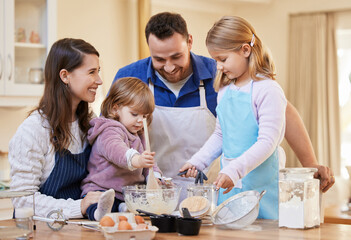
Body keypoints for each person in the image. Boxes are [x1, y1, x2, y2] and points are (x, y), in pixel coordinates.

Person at [110, 12, 334, 200]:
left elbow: (283, 114)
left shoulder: (220, 73)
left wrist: (310, 165)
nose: (168, 67)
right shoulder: (130, 77)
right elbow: (111, 135)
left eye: (176, 56)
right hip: (155, 192)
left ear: (189, 41)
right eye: (159, 59)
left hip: (215, 189)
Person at [180, 16, 286, 219]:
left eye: (223, 59)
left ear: (245, 50)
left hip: (261, 191)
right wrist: (198, 162)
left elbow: (267, 142)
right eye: (215, 60)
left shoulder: (268, 90)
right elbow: (221, 135)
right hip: (230, 190)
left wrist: (235, 170)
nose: (218, 66)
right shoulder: (225, 90)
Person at [9, 38, 104, 218]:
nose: (98, 80)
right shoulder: (34, 129)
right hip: (40, 231)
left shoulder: (90, 122)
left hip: (78, 229)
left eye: (98, 71)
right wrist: (79, 207)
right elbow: (22, 199)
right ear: (64, 76)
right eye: (91, 72)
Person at [80, 77, 162, 221]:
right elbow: (117, 151)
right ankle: (98, 213)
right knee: (97, 204)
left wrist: (155, 176)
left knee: (136, 206)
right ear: (115, 108)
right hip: (100, 190)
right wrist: (137, 160)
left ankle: (122, 208)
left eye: (144, 116)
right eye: (135, 114)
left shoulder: (139, 134)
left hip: (126, 194)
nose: (139, 120)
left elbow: (148, 161)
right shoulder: (109, 130)